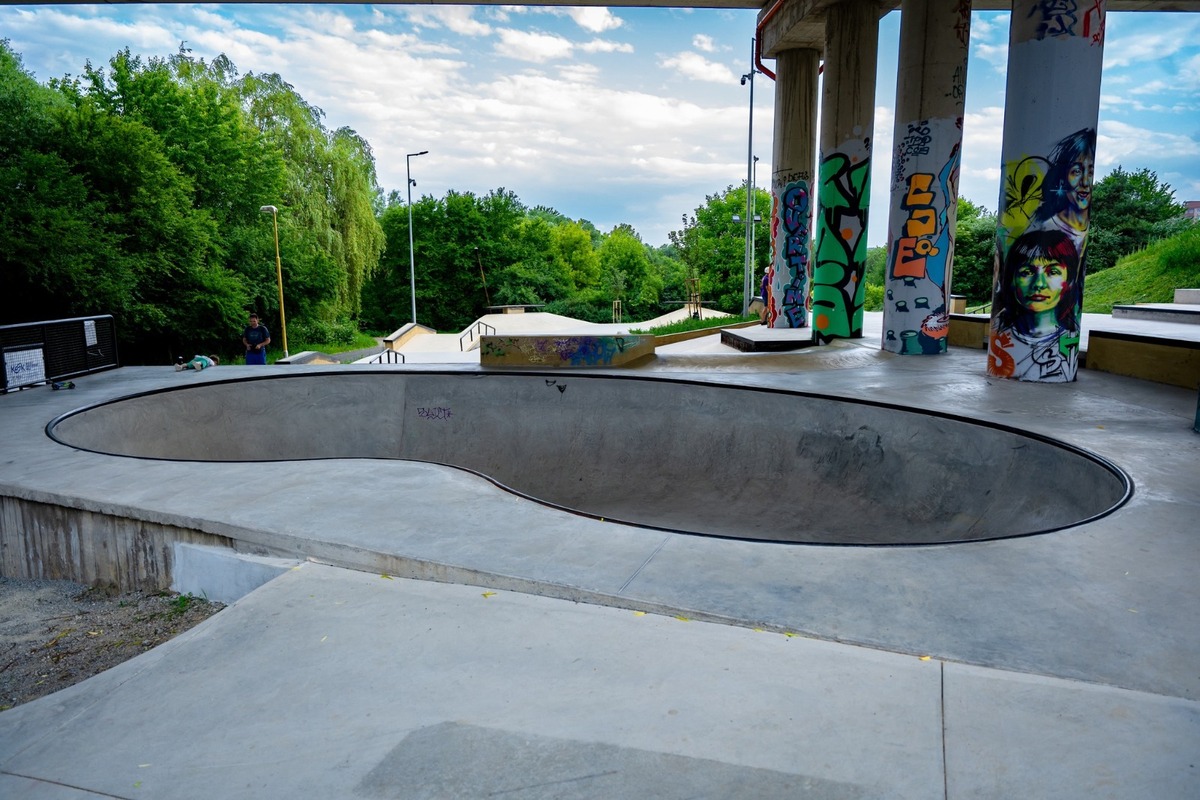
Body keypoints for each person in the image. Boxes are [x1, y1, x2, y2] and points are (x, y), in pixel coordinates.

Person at [1030, 127, 1096, 254]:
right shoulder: (1048, 227)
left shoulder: (1084, 230)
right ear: (1062, 179)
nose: (1086, 182)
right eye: (1077, 171)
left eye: (1091, 172)